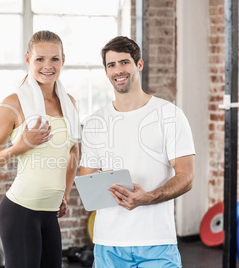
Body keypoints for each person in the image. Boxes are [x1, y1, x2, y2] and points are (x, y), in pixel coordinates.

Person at [79, 36, 195, 267]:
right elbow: (87, 180)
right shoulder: (95, 122)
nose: (118, 70)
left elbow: (186, 177)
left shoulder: (169, 114)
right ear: (106, 71)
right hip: (108, 244)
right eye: (111, 65)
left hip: (157, 241)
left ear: (139, 64)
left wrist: (148, 198)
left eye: (124, 62)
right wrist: (109, 180)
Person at [0, 30, 80, 268]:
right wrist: (21, 146)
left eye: (54, 59)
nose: (48, 66)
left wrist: (64, 194)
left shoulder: (70, 103)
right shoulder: (13, 103)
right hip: (20, 212)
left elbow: (73, 153)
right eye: (40, 59)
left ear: (63, 60)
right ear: (28, 60)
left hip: (49, 214)